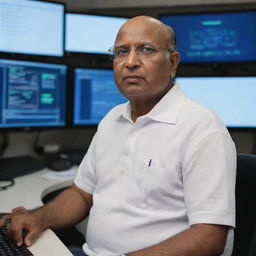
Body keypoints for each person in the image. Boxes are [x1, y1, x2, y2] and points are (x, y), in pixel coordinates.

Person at [0, 16, 236, 256]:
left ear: (172, 63)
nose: (131, 62)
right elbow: (82, 194)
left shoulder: (202, 128)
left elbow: (210, 236)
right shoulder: (112, 119)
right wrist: (38, 218)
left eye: (146, 50)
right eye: (122, 52)